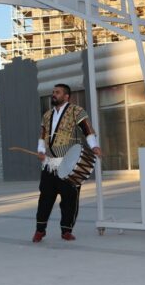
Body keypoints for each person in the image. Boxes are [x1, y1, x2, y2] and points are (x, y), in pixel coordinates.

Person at [33, 83, 102, 243]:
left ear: (66, 96)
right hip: (50, 165)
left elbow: (87, 130)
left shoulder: (76, 111)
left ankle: (66, 230)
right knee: (45, 199)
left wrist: (94, 146)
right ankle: (39, 230)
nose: (54, 94)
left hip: (68, 164)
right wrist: (41, 150)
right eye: (53, 92)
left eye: (57, 92)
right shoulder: (47, 115)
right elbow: (42, 135)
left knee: (70, 199)